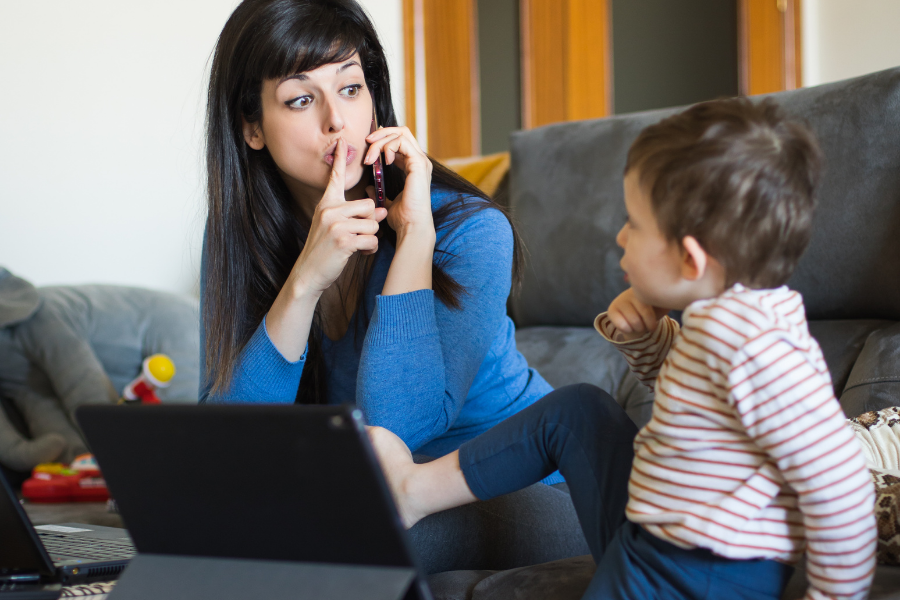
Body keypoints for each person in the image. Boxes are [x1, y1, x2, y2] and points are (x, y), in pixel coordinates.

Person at [370, 97, 877, 599]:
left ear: (690, 259)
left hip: (695, 575)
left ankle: (412, 492)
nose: (619, 235)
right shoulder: (725, 321)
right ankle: (415, 492)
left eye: (634, 223)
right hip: (656, 540)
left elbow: (841, 485)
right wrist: (648, 340)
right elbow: (699, 408)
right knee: (577, 410)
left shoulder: (759, 348)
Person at [198, 0, 589, 571]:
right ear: (251, 126)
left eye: (351, 89)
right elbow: (228, 446)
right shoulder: (241, 235)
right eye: (301, 99)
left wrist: (413, 242)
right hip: (371, 498)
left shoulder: (470, 230)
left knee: (342, 542)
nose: (338, 122)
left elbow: (396, 433)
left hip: (526, 492)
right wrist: (304, 283)